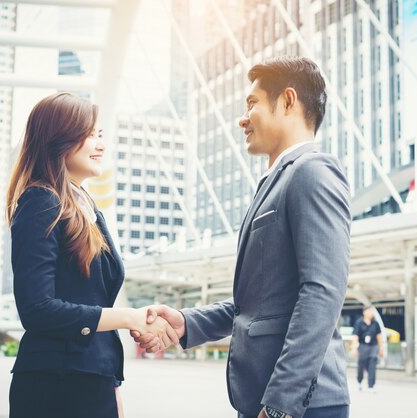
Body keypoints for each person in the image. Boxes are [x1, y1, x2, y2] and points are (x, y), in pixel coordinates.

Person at [132, 57, 351, 418]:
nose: (242, 118)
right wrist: (186, 322)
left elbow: (322, 292)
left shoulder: (313, 172)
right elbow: (258, 303)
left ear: (288, 101)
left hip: (297, 404)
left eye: (252, 104)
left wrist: (281, 404)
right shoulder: (279, 180)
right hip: (262, 399)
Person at [6, 92, 178, 418]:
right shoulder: (41, 202)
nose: (100, 145)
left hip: (92, 380)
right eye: (88, 135)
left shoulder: (85, 204)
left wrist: (111, 385)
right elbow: (37, 309)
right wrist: (128, 317)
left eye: (100, 135)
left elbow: (91, 298)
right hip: (54, 385)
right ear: (57, 139)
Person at [351, 305, 384, 392]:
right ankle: (360, 381)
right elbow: (356, 336)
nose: (371, 313)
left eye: (372, 311)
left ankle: (371, 386)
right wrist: (354, 348)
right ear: (365, 312)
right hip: (362, 346)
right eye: (370, 311)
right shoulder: (359, 323)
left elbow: (379, 337)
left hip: (373, 346)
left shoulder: (376, 324)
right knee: (361, 365)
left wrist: (381, 348)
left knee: (372, 365)